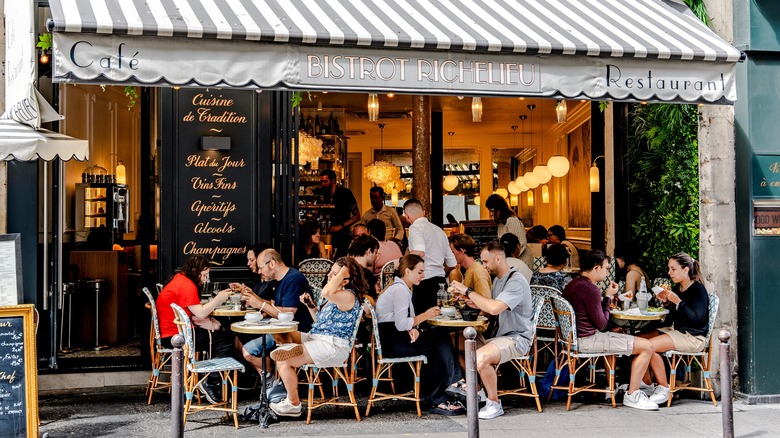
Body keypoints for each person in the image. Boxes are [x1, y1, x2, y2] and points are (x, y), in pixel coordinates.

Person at [268, 258, 366, 418]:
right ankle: (291, 353)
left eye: (334, 274)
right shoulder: (334, 297)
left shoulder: (348, 296)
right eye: (330, 272)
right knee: (282, 333)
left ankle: (293, 404)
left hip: (332, 346)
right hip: (318, 338)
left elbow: (326, 291)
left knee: (283, 360)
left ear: (345, 280)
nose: (329, 276)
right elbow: (320, 321)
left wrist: (343, 272)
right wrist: (310, 305)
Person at [561, 250, 658, 410]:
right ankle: (633, 393)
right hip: (589, 340)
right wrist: (607, 297)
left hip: (575, 339)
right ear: (597, 268)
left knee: (619, 334)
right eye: (606, 268)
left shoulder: (573, 284)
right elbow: (602, 324)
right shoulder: (590, 289)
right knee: (647, 346)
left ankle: (619, 387)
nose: (607, 272)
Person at [447, 242, 534, 419]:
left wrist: (469, 291)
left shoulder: (515, 281)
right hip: (498, 336)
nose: (484, 265)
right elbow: (490, 308)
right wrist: (471, 300)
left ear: (498, 258)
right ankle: (477, 391)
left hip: (517, 338)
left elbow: (494, 309)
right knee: (451, 341)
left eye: (486, 261)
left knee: (480, 357)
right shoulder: (498, 279)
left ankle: (494, 403)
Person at [375, 254, 465, 416]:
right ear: (407, 271)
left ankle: (449, 386)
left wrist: (414, 327)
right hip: (393, 342)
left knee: (437, 337)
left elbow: (401, 321)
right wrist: (426, 315)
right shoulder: (400, 290)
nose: (423, 276)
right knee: (436, 342)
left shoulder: (400, 287)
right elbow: (401, 323)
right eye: (420, 272)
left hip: (392, 338)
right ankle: (442, 393)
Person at [155, 255, 235, 403]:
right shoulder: (187, 285)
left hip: (172, 333)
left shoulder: (179, 279)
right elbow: (200, 312)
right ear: (194, 271)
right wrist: (219, 298)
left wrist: (207, 322)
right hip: (177, 337)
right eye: (204, 275)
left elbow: (192, 313)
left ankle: (210, 378)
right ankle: (210, 380)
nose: (205, 279)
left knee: (219, 334)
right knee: (225, 339)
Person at [638, 252, 710, 406]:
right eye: (669, 269)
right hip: (677, 331)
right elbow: (672, 319)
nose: (669, 273)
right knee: (639, 340)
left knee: (648, 346)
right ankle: (648, 385)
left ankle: (664, 388)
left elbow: (697, 321)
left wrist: (678, 302)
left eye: (673, 269)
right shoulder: (678, 289)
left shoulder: (698, 290)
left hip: (693, 337)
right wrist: (666, 303)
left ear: (686, 269)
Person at [240, 249, 314, 378]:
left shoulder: (293, 279)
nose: (259, 271)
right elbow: (276, 306)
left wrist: (259, 304)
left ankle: (274, 378)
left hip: (294, 333)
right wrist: (255, 297)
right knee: (241, 338)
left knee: (248, 352)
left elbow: (287, 315)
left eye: (261, 267)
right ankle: (274, 378)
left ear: (272, 264)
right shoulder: (280, 280)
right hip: (280, 331)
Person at [403, 198, 457, 313]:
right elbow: (452, 263)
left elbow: (419, 252)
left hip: (424, 283)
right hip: (441, 283)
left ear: (407, 216)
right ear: (423, 212)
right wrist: (439, 272)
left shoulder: (415, 227)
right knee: (441, 322)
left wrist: (401, 261)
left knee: (425, 323)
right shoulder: (439, 230)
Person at [318, 169, 359, 258]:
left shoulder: (345, 193)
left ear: (333, 181)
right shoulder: (321, 194)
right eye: (321, 182)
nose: (323, 184)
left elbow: (357, 216)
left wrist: (340, 226)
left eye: (325, 181)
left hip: (342, 236)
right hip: (324, 235)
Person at [484, 194, 533, 269]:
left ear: (500, 209)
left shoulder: (512, 220)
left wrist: (510, 259)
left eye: (492, 211)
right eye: (489, 211)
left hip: (522, 260)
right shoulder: (500, 223)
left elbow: (522, 243)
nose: (491, 214)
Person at [448, 233, 492, 299]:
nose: (450, 255)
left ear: (462, 251)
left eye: (452, 252)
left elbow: (486, 300)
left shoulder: (478, 271)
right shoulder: (470, 269)